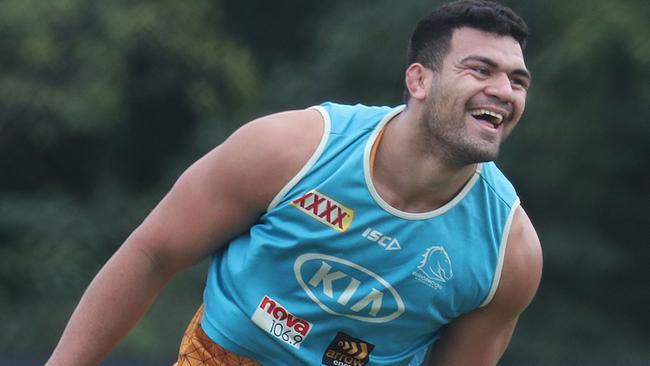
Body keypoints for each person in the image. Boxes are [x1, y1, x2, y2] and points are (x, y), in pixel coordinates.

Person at [46, 0, 542, 365]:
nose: (502, 91)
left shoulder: (510, 253)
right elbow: (152, 255)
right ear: (419, 80)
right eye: (481, 69)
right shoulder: (292, 148)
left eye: (517, 81)